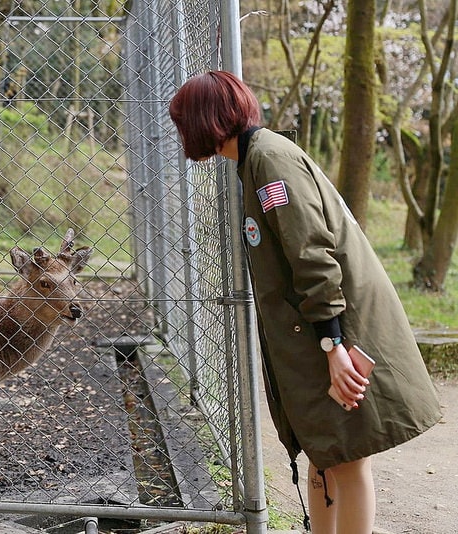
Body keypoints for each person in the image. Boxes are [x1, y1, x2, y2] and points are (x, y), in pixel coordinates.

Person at [169, 70, 442, 534]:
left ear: (203, 120)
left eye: (182, 123)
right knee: (325, 449)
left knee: (348, 456)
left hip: (337, 324)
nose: (180, 134)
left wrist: (333, 346)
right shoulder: (258, 158)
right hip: (322, 325)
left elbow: (311, 254)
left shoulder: (269, 160)